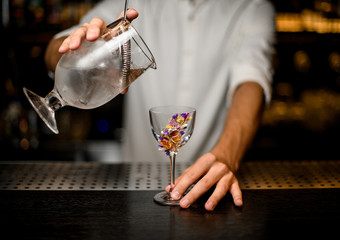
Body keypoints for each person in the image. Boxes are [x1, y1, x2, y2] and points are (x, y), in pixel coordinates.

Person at [44, 0, 275, 211]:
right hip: (135, 195)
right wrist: (75, 50)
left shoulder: (252, 7)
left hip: (209, 194)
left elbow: (251, 81)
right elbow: (54, 50)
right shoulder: (131, 3)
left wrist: (227, 155)